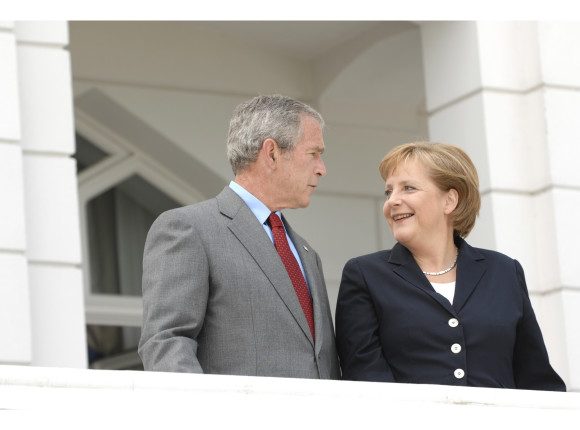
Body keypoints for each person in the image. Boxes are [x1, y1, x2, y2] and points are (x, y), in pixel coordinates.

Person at [138, 94, 340, 379]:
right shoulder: (188, 228)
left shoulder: (306, 253)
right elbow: (167, 343)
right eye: (313, 154)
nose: (321, 168)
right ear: (271, 154)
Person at [335, 141, 566, 391]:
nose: (393, 201)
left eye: (408, 188)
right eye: (388, 192)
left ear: (450, 200)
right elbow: (365, 379)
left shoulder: (504, 271)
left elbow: (537, 378)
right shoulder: (365, 274)